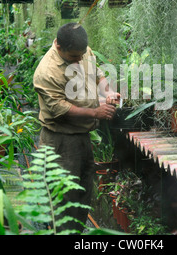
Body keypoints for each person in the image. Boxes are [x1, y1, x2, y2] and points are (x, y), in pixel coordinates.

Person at [33, 22, 120, 233]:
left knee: (82, 192)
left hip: (81, 136)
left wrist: (107, 91)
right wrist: (95, 112)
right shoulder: (47, 72)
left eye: (82, 55)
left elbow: (96, 70)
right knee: (63, 198)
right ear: (59, 46)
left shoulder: (80, 50)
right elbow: (59, 109)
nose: (80, 59)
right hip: (60, 141)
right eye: (74, 57)